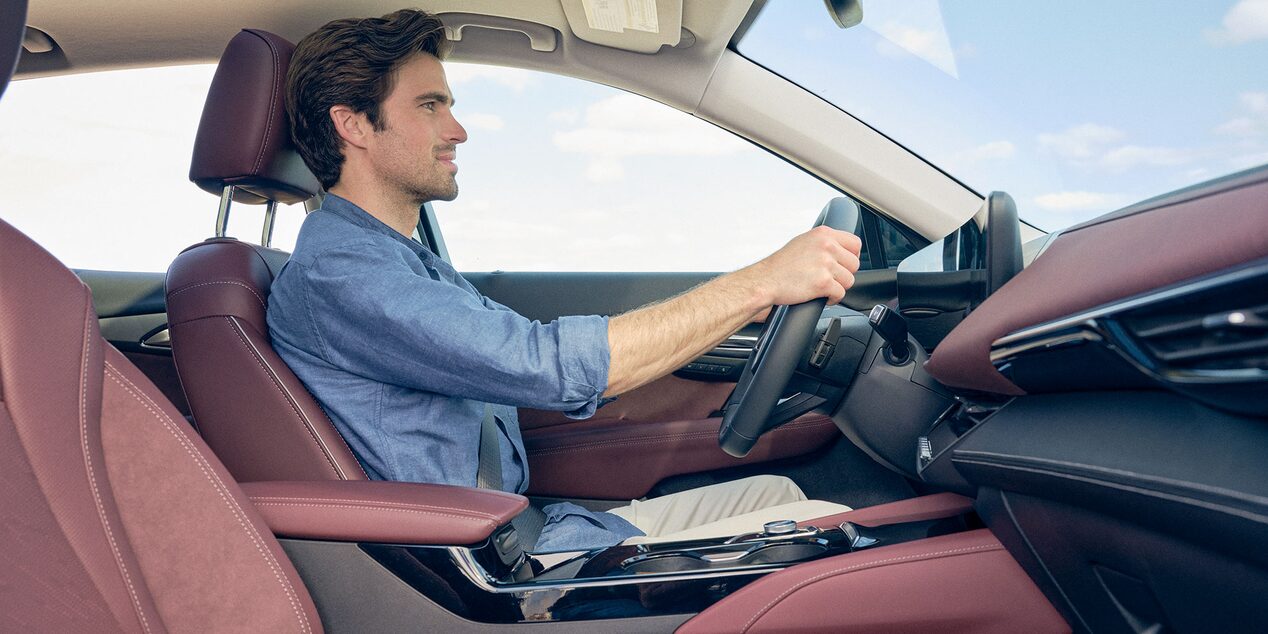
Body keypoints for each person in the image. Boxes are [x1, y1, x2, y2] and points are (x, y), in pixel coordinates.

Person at [269, 9, 861, 553]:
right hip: (492, 562)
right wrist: (758, 284)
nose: (457, 130)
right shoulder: (342, 273)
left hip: (530, 526)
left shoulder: (399, 259)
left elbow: (516, 364)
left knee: (778, 494)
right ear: (353, 126)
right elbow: (544, 365)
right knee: (834, 531)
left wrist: (734, 309)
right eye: (430, 106)